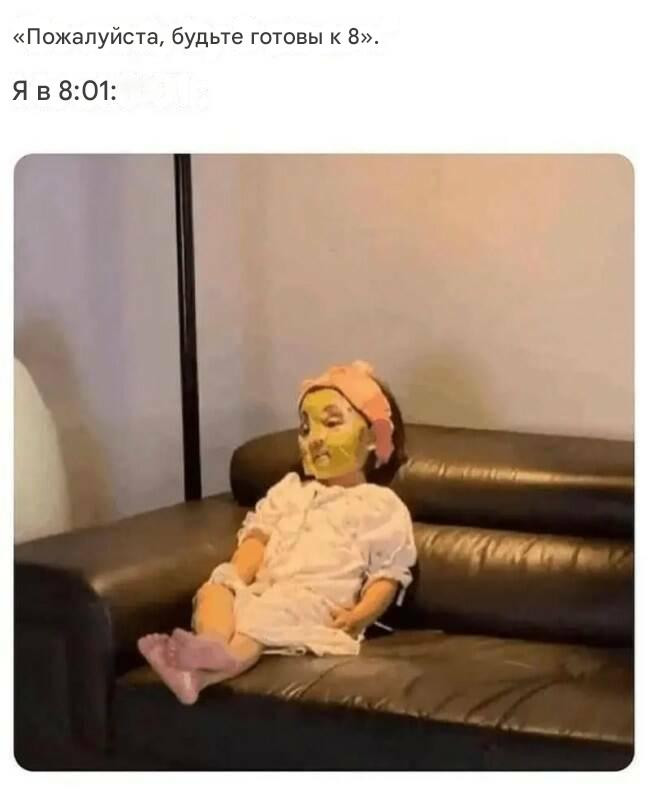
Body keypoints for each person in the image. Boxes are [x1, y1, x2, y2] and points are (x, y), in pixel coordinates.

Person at [138, 360, 417, 704]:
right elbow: (257, 538)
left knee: (265, 617)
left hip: (315, 602)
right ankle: (208, 649)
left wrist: (360, 616)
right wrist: (235, 577)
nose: (315, 439)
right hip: (264, 589)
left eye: (331, 423)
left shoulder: (380, 504)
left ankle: (214, 667)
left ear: (373, 436)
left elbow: (387, 575)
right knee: (214, 590)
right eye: (305, 428)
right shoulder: (289, 491)